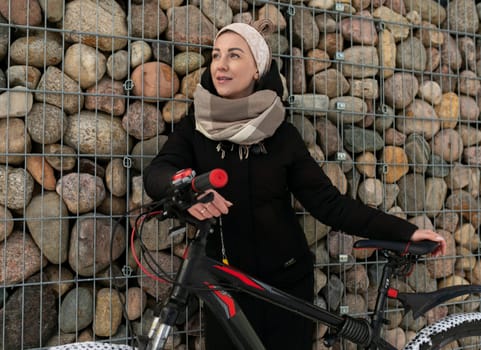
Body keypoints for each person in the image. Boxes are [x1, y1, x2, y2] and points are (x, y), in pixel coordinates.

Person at [143, 21, 446, 350]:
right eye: (216, 55)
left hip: (285, 286)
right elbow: (157, 173)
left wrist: (404, 231)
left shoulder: (282, 135)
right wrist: (188, 187)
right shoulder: (195, 128)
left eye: (234, 55)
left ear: (257, 69)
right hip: (225, 286)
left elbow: (330, 204)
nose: (221, 65)